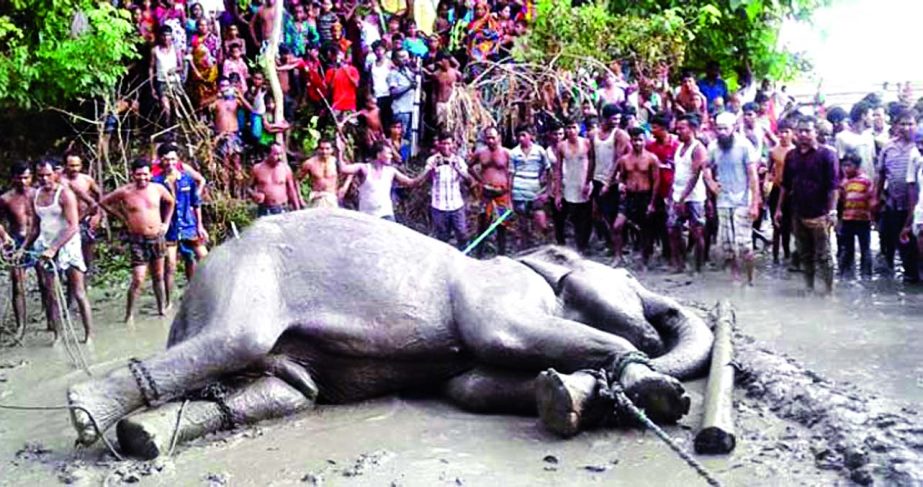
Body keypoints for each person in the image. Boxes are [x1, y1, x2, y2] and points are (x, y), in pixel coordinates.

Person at [24, 159, 93, 343]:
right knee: (51, 293)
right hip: (45, 245)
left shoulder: (65, 194)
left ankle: (88, 335)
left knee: (78, 292)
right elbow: (36, 227)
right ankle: (58, 335)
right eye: (41, 176)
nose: (45, 179)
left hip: (68, 245)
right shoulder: (35, 195)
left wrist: (55, 248)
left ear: (55, 173)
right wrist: (23, 248)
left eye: (48, 174)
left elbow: (72, 226)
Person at [101, 159, 176, 323]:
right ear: (132, 174)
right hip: (137, 239)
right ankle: (129, 314)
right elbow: (104, 202)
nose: (142, 178)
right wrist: (122, 218)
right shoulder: (125, 191)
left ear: (150, 174)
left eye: (145, 174)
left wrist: (166, 223)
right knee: (138, 279)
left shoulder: (158, 189)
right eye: (138, 174)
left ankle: (161, 309)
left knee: (158, 276)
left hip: (157, 237)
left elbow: (171, 202)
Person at [774, 116, 839, 294]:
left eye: (807, 131)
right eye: (800, 131)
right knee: (804, 253)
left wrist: (832, 211)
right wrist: (779, 209)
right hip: (798, 211)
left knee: (824, 255)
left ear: (816, 133)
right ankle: (809, 287)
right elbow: (785, 186)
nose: (803, 134)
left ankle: (829, 291)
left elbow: (834, 186)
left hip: (820, 213)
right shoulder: (791, 156)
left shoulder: (827, 154)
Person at [705, 112, 760, 284]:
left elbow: (753, 176)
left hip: (743, 200)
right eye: (718, 128)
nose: (721, 132)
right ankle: (735, 278)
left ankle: (750, 280)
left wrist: (754, 203)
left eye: (725, 128)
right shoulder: (713, 147)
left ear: (734, 127)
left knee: (744, 245)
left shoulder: (745, 146)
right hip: (723, 201)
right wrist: (711, 183)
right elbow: (705, 167)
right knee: (727, 245)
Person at [152, 144, 209, 310]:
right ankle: (168, 301)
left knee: (204, 258)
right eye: (166, 159)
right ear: (161, 160)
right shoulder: (155, 182)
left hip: (189, 225)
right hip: (169, 229)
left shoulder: (186, 179)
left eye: (173, 159)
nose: (170, 162)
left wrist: (200, 226)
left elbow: (196, 204)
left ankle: (199, 293)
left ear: (177, 160)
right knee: (170, 266)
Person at [877, 109, 921, 282]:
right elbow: (880, 174)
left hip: (918, 202)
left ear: (916, 125)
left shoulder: (918, 147)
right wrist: (876, 197)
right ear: (895, 126)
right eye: (902, 123)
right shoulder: (888, 147)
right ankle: (910, 274)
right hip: (895, 201)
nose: (906, 127)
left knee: (918, 239)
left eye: (910, 123)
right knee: (900, 239)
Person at [337, 140, 427, 221]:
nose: (391, 156)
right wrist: (340, 151)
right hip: (366, 216)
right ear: (379, 155)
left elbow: (411, 182)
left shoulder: (391, 171)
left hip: (386, 214)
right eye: (388, 153)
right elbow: (343, 169)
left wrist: (427, 169)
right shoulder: (364, 168)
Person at [611, 127, 660, 268]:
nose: (637, 143)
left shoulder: (651, 158)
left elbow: (656, 181)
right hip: (629, 197)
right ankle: (618, 256)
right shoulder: (624, 159)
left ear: (644, 140)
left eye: (640, 140)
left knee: (645, 229)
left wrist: (652, 203)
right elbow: (621, 177)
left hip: (645, 195)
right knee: (617, 226)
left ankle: (645, 259)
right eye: (634, 140)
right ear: (630, 141)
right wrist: (621, 184)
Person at [0, 162, 38, 336]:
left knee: (46, 283)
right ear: (13, 178)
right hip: (17, 239)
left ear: (31, 177)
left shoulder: (39, 194)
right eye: (19, 177)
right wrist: (4, 237)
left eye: (26, 177)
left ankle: (51, 322)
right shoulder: (6, 198)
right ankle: (20, 325)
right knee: (17, 284)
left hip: (38, 239)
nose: (23, 181)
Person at [669, 114, 708, 273]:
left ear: (692, 129)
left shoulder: (698, 148)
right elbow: (677, 171)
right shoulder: (679, 147)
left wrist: (683, 197)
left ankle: (698, 266)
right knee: (672, 229)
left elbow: (695, 175)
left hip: (694, 197)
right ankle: (680, 263)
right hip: (678, 194)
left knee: (697, 232)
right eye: (677, 128)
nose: (678, 131)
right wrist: (673, 194)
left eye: (681, 128)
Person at [420, 132, 473, 248]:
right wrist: (431, 170)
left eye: (448, 143)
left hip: (456, 205)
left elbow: (469, 180)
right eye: (443, 143)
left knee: (462, 234)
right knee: (442, 237)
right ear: (438, 144)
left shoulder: (459, 161)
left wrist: (457, 169)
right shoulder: (432, 160)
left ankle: (464, 258)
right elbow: (424, 180)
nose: (446, 147)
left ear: (453, 144)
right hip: (439, 206)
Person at [468, 127, 513, 255]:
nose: (491, 140)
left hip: (502, 194)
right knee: (482, 224)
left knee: (502, 226)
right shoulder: (480, 153)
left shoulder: (507, 153)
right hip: (486, 194)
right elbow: (469, 167)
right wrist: (480, 180)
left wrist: (509, 194)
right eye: (488, 138)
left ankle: (502, 256)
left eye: (493, 137)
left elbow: (512, 173)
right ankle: (479, 254)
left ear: (498, 137)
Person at [552, 118, 595, 254]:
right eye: (568, 128)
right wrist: (558, 192)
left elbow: (593, 163)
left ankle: (584, 245)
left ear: (578, 128)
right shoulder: (561, 146)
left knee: (587, 216)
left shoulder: (587, 143)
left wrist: (588, 182)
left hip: (584, 183)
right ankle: (577, 246)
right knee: (574, 216)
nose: (571, 131)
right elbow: (558, 170)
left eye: (573, 127)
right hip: (570, 184)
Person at [590, 104, 629, 251]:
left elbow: (618, 160)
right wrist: (589, 180)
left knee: (613, 215)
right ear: (604, 118)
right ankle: (609, 242)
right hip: (597, 178)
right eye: (613, 119)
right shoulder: (593, 134)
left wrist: (609, 182)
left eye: (618, 119)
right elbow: (592, 158)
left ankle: (619, 247)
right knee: (598, 214)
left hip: (613, 181)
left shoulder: (620, 135)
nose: (616, 122)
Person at [510, 125, 552, 249]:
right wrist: (509, 195)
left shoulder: (539, 151)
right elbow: (511, 174)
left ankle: (546, 246)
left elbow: (548, 170)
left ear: (530, 136)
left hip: (535, 190)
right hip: (518, 191)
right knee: (523, 224)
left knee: (541, 222)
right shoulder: (514, 152)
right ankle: (526, 248)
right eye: (519, 136)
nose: (521, 138)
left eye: (523, 135)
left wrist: (547, 191)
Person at [61, 152, 102, 273]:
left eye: (77, 165)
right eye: (71, 166)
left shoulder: (86, 179)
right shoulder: (60, 181)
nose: (74, 169)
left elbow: (100, 196)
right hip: (66, 220)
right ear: (65, 166)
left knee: (87, 248)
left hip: (85, 220)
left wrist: (98, 215)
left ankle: (87, 274)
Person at [838, 152, 876, 278]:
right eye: (844, 166)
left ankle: (866, 275)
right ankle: (845, 274)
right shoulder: (844, 182)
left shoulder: (866, 181)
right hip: (848, 219)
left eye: (849, 166)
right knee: (847, 249)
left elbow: (871, 200)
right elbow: (843, 201)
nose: (846, 169)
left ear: (857, 166)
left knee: (865, 249)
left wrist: (872, 217)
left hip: (863, 220)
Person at [248, 142, 302, 216]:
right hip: (265, 209)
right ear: (268, 154)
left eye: (280, 154)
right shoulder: (257, 168)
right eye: (276, 154)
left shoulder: (285, 169)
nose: (279, 157)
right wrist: (254, 194)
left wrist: (297, 210)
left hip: (283, 208)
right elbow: (248, 188)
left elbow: (291, 190)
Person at [768, 118, 795, 265]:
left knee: (789, 225)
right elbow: (768, 170)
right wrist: (766, 181)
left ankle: (787, 254)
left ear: (792, 133)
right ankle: (775, 257)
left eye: (786, 132)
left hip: (792, 192)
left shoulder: (795, 151)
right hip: (777, 190)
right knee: (776, 224)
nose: (783, 135)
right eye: (781, 132)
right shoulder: (773, 151)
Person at [297, 139, 350, 208]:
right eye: (322, 149)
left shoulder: (336, 162)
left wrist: (345, 187)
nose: (324, 152)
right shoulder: (310, 163)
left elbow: (350, 173)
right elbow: (296, 179)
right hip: (316, 197)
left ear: (332, 150)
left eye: (327, 149)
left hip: (332, 197)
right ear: (318, 149)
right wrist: (300, 198)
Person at [835, 101, 877, 185]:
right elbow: (839, 165)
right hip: (852, 186)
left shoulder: (869, 136)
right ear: (863, 116)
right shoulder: (842, 137)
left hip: (870, 184)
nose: (873, 119)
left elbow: (873, 161)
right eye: (871, 115)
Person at [149, 25, 183, 123]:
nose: (165, 38)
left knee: (176, 108)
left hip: (174, 82)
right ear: (160, 36)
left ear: (171, 36)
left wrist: (174, 69)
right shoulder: (155, 50)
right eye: (163, 36)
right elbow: (151, 68)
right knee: (166, 108)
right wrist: (152, 87)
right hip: (162, 82)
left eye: (168, 36)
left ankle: (175, 129)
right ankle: (166, 128)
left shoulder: (176, 49)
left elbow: (181, 66)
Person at [388, 48, 417, 145]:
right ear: (395, 60)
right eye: (401, 57)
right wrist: (409, 87)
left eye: (406, 57)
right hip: (401, 110)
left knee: (409, 136)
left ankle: (406, 157)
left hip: (411, 108)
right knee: (400, 135)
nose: (405, 59)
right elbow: (393, 92)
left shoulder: (408, 71)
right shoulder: (393, 74)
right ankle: (398, 156)